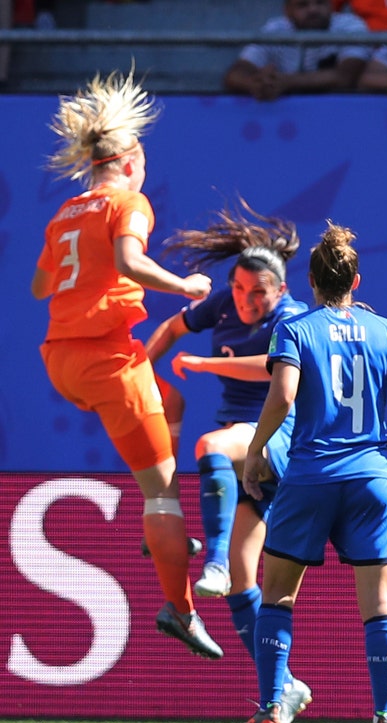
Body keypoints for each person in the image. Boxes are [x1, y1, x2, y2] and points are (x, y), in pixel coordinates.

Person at [31, 71, 220, 660]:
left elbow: (41, 285)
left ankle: (164, 536)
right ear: (132, 159)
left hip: (61, 358)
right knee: (162, 496)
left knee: (172, 400)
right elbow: (130, 261)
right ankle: (180, 608)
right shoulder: (127, 201)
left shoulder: (66, 210)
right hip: (109, 356)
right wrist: (186, 284)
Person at [241, 222, 387, 723]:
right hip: (371, 480)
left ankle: (273, 708)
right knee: (380, 603)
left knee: (277, 595)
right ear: (355, 281)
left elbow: (284, 395)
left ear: (311, 284)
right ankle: (385, 716)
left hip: (311, 476)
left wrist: (256, 451)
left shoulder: (295, 330)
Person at [143, 202, 314, 720]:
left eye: (257, 291)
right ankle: (281, 693)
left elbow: (272, 368)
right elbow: (174, 326)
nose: (245, 300)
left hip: (275, 438)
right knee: (246, 579)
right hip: (245, 447)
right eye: (239, 289)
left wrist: (205, 362)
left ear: (280, 291)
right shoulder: (220, 304)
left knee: (211, 446)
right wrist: (141, 368)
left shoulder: (294, 317)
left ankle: (210, 559)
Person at [224, 0, 370, 101]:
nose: (313, 10)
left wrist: (287, 82)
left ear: (331, 6)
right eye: (303, 4)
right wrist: (256, 84)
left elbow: (346, 77)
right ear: (287, 11)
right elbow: (234, 75)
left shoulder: (349, 26)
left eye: (320, 2)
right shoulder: (275, 29)